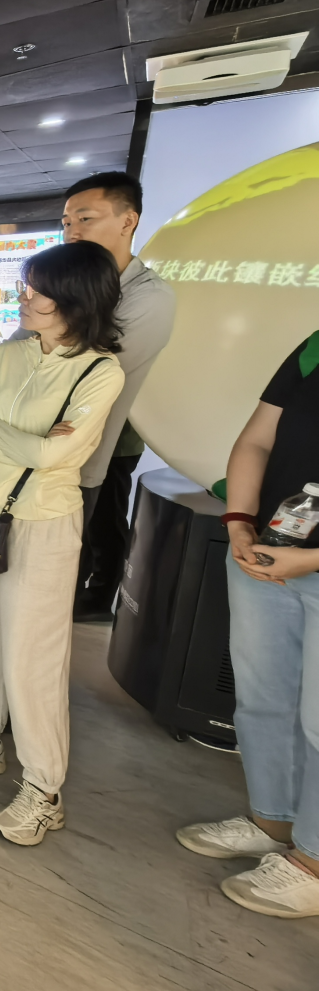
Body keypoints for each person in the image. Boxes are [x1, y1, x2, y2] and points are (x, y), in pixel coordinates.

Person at [0, 241, 125, 846]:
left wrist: (2, 433)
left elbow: (53, 456)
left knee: (33, 655)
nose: (24, 297)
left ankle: (43, 789)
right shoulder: (8, 353)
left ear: (76, 298)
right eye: (26, 286)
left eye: (37, 289)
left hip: (44, 522)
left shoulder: (100, 370)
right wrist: (25, 440)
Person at [175, 328, 319, 919]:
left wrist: (311, 559)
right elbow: (259, 438)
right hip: (267, 549)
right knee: (264, 698)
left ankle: (313, 861)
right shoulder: (314, 347)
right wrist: (239, 519)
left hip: (306, 561)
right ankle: (272, 821)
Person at [6, 172, 176, 618]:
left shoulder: (149, 296)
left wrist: (37, 347)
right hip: (24, 447)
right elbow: (9, 356)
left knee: (69, 559)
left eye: (85, 218)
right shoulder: (60, 284)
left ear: (128, 221)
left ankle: (95, 601)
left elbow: (91, 369)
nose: (72, 231)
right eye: (66, 222)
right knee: (15, 569)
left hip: (85, 451)